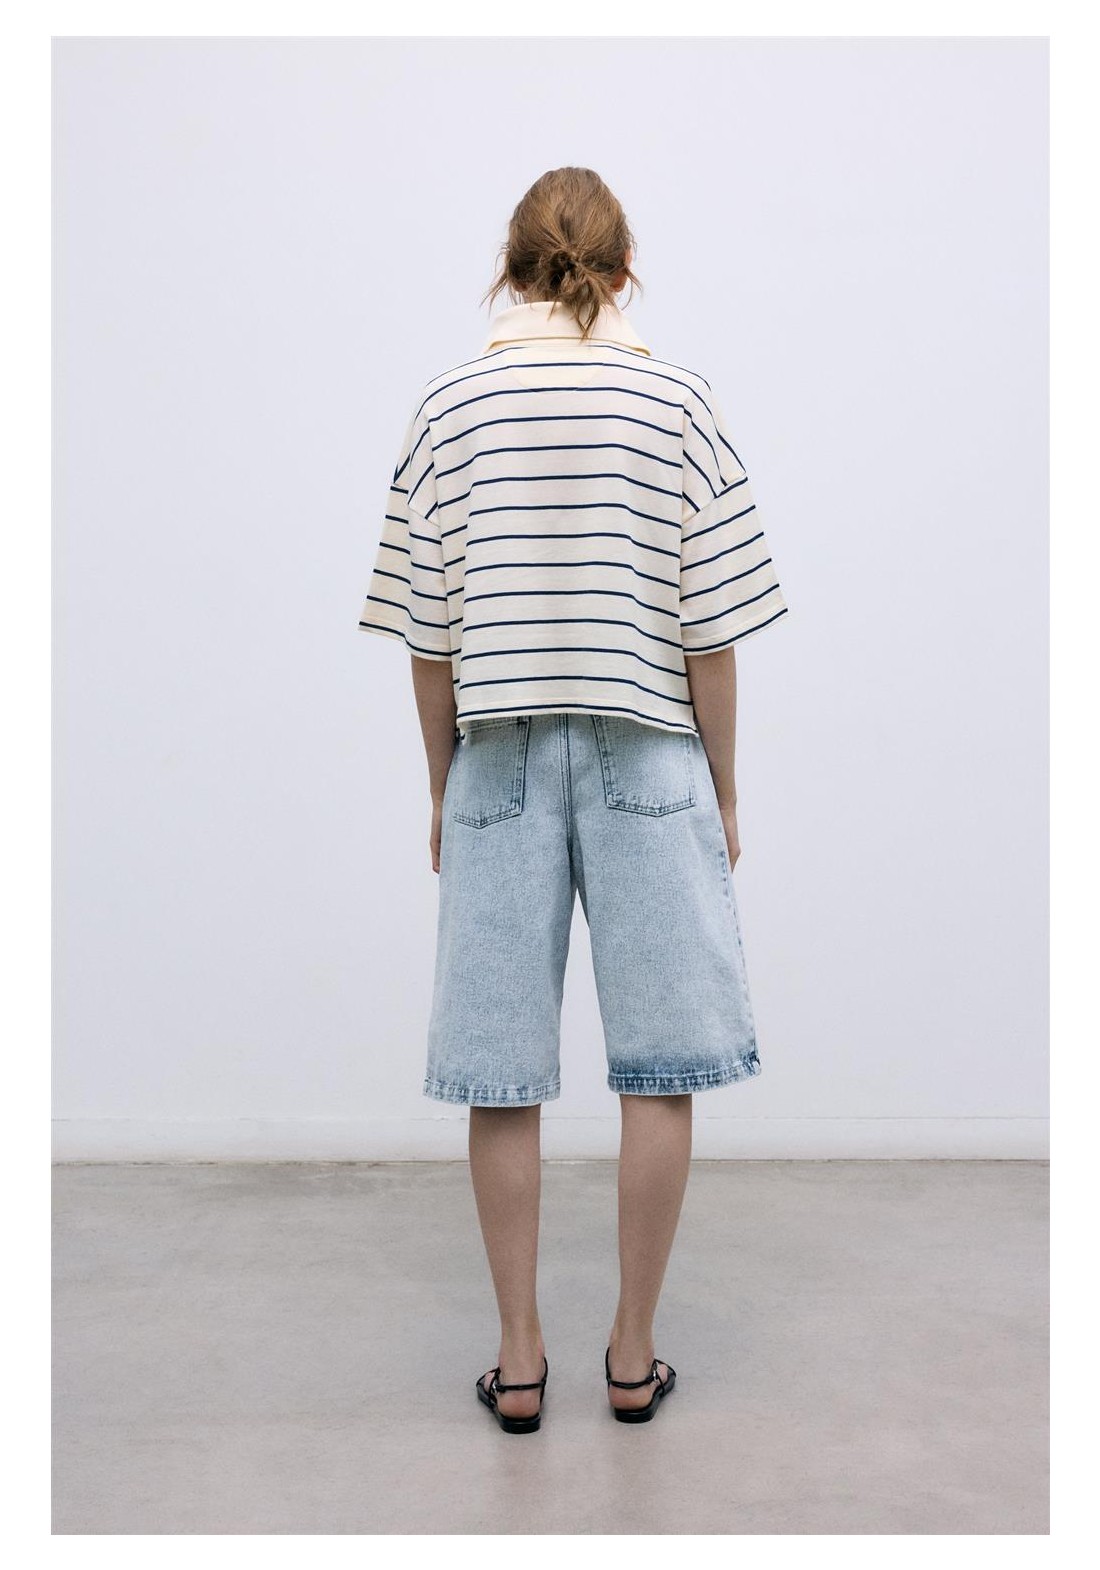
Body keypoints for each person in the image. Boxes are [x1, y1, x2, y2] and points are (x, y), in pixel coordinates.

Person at [358, 167, 788, 1434]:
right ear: (623, 265)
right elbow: (711, 634)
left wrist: (440, 787)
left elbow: (427, 641)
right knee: (659, 1067)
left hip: (493, 750)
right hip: (648, 749)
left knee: (501, 1076)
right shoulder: (677, 402)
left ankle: (518, 1361)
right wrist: (723, 788)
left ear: (508, 267)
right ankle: (631, 1354)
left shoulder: (448, 407)